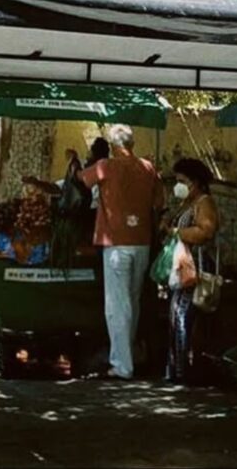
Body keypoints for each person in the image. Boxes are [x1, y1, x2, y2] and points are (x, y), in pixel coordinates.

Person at [79, 125, 163, 380]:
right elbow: (159, 203)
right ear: (133, 145)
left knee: (117, 305)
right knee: (133, 301)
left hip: (116, 242)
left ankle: (122, 365)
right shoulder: (149, 168)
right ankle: (129, 355)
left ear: (115, 146)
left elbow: (82, 179)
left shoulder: (106, 166)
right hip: (142, 242)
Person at [164, 157, 220, 384]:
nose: (178, 185)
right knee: (176, 315)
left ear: (194, 182)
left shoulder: (204, 203)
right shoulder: (188, 202)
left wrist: (177, 232)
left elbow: (206, 232)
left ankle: (183, 370)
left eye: (182, 181)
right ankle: (177, 367)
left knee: (182, 315)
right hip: (183, 265)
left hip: (194, 265)